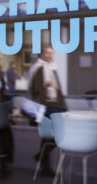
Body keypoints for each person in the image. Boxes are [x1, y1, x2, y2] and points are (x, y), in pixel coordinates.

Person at [28, 46, 66, 176]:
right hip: (44, 105)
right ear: (42, 54)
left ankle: (40, 156)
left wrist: (64, 106)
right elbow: (32, 89)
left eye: (52, 53)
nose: (50, 56)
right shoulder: (37, 68)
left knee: (60, 134)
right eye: (47, 53)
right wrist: (44, 85)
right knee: (46, 136)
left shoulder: (53, 67)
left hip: (56, 104)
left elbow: (59, 89)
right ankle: (46, 168)